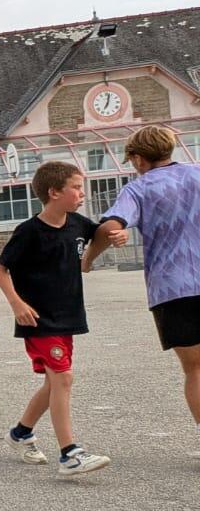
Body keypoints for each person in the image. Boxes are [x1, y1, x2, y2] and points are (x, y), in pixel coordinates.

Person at [83, 125, 200, 456]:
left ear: (138, 158)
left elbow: (110, 226)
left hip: (172, 288)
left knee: (195, 369)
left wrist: (88, 259)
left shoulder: (138, 188)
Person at [0, 162, 111, 477]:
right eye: (76, 187)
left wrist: (100, 249)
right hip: (38, 320)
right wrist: (16, 304)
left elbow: (101, 233)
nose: (82, 193)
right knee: (63, 378)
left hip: (67, 317)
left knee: (54, 381)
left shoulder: (77, 223)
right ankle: (70, 454)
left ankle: (20, 433)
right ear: (54, 192)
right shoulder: (29, 231)